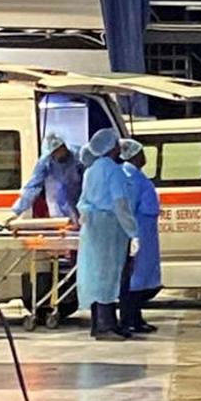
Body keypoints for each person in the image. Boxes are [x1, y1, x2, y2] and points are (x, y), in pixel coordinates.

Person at [75, 129, 139, 341]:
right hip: (109, 227)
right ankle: (106, 326)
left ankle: (100, 323)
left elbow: (83, 200)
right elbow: (120, 203)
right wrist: (133, 231)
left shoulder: (91, 170)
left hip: (93, 227)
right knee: (109, 276)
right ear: (112, 147)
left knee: (95, 275)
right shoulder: (113, 170)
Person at [119, 139, 161, 334]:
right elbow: (128, 207)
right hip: (137, 230)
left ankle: (136, 317)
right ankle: (130, 319)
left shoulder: (137, 175)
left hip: (145, 231)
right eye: (141, 153)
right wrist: (133, 235)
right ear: (134, 155)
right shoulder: (129, 177)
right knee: (133, 278)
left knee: (140, 276)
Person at [9, 132, 84, 223]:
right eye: (55, 152)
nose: (58, 154)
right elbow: (32, 187)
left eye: (60, 149)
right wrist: (16, 211)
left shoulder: (79, 156)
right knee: (65, 224)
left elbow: (90, 183)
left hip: (81, 197)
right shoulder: (45, 162)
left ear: (65, 146)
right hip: (61, 202)